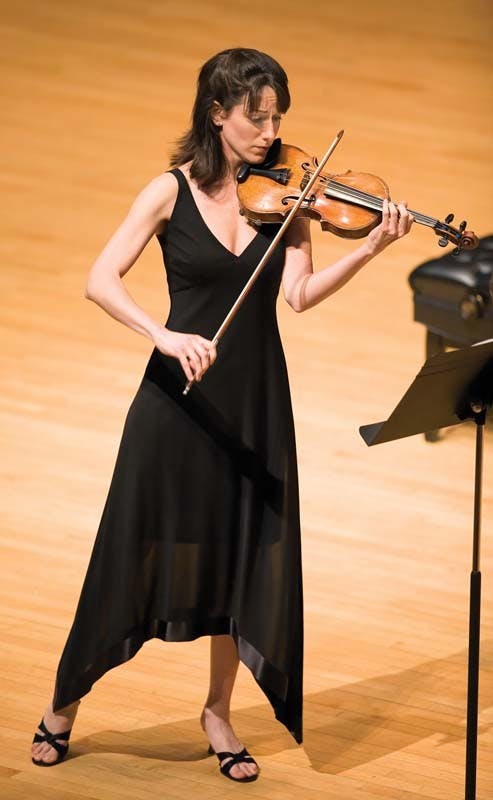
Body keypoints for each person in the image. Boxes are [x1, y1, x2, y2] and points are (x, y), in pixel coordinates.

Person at [31, 47, 413, 782]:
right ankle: (63, 704)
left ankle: (217, 712)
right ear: (216, 114)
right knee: (125, 552)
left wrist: (368, 246)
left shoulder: (289, 199)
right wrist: (163, 335)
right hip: (175, 403)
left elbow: (297, 296)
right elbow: (99, 278)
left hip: (254, 403)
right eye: (255, 118)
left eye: (277, 118)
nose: (271, 133)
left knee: (240, 561)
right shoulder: (168, 191)